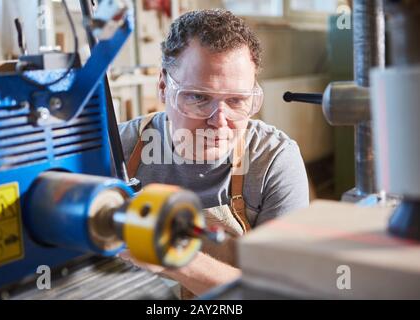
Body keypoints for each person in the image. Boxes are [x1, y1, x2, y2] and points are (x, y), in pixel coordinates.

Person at [117, 9, 309, 298]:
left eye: (236, 100)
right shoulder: (117, 147)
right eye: (198, 97)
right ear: (162, 87)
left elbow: (279, 292)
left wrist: (170, 254)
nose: (219, 120)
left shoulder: (273, 160)